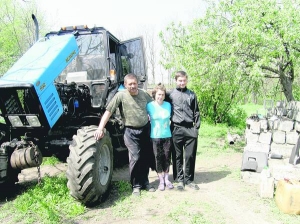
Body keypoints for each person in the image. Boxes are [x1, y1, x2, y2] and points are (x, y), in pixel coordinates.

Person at [94, 73, 155, 196]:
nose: (133, 86)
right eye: (130, 84)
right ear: (125, 85)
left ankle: (145, 182)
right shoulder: (120, 95)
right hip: (130, 131)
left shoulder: (144, 94)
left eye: (135, 83)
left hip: (145, 129)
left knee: (145, 156)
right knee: (135, 157)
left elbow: (154, 106)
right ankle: (136, 185)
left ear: (137, 83)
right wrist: (100, 128)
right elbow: (108, 111)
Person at [166, 71, 201, 190]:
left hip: (190, 128)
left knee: (190, 155)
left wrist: (196, 128)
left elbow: (196, 112)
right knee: (177, 155)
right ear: (176, 80)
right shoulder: (170, 94)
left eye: (184, 80)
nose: (182, 83)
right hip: (176, 128)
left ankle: (189, 179)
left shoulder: (191, 94)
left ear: (187, 80)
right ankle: (180, 180)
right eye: (180, 80)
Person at [146, 83, 174, 191]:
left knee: (167, 157)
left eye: (162, 95)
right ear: (154, 95)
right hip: (155, 136)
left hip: (167, 135)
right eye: (158, 94)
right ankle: (161, 181)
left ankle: (167, 179)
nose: (160, 97)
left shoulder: (168, 105)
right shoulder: (149, 106)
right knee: (157, 158)